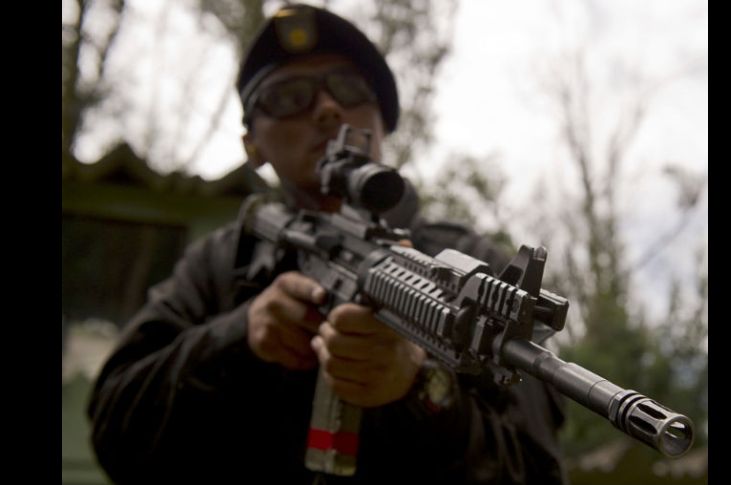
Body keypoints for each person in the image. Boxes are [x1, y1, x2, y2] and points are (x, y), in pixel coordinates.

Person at [87, 4, 567, 484]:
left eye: (350, 90)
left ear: (382, 123)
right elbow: (114, 429)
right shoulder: (221, 264)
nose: (327, 108)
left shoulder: (471, 269)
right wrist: (237, 339)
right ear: (252, 145)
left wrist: (423, 390)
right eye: (290, 95)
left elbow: (533, 470)